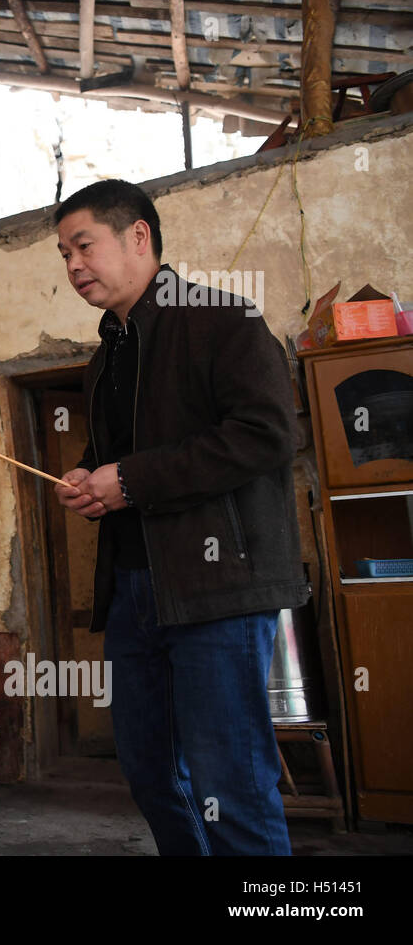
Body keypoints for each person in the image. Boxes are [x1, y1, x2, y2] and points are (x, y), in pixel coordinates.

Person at [51, 179, 310, 856]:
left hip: (216, 590)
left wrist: (129, 481)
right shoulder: (107, 354)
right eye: (63, 254)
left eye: (84, 246)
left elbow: (266, 434)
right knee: (149, 774)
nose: (73, 266)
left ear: (139, 236)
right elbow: (117, 454)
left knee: (232, 784)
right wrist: (87, 479)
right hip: (135, 592)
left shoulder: (226, 322)